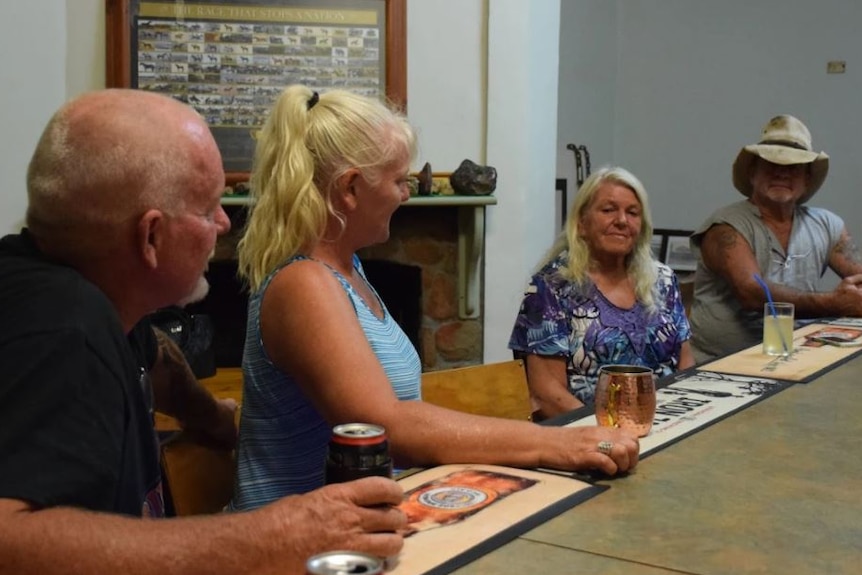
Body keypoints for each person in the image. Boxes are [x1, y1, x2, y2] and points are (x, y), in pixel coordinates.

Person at [0, 89, 406, 575]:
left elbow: (157, 361)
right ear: (151, 237)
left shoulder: (91, 297)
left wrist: (211, 416)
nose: (221, 223)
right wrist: (273, 534)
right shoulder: (62, 330)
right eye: (208, 206)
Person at [230, 85, 640, 512]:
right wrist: (553, 442)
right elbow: (388, 425)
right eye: (398, 181)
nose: (407, 194)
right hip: (296, 544)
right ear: (350, 188)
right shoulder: (304, 284)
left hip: (358, 521)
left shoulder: (348, 272)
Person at [508, 166, 694, 421]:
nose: (621, 220)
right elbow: (546, 395)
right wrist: (609, 433)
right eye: (608, 210)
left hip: (667, 424)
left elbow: (686, 366)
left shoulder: (663, 280)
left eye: (632, 213)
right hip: (587, 436)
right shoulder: (551, 287)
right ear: (582, 223)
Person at [689, 114, 862, 362]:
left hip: (796, 359)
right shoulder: (724, 227)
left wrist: (852, 299)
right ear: (752, 174)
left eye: (793, 167)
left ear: (807, 180)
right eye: (771, 165)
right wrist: (835, 303)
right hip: (722, 365)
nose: (781, 174)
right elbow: (752, 292)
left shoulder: (827, 224)